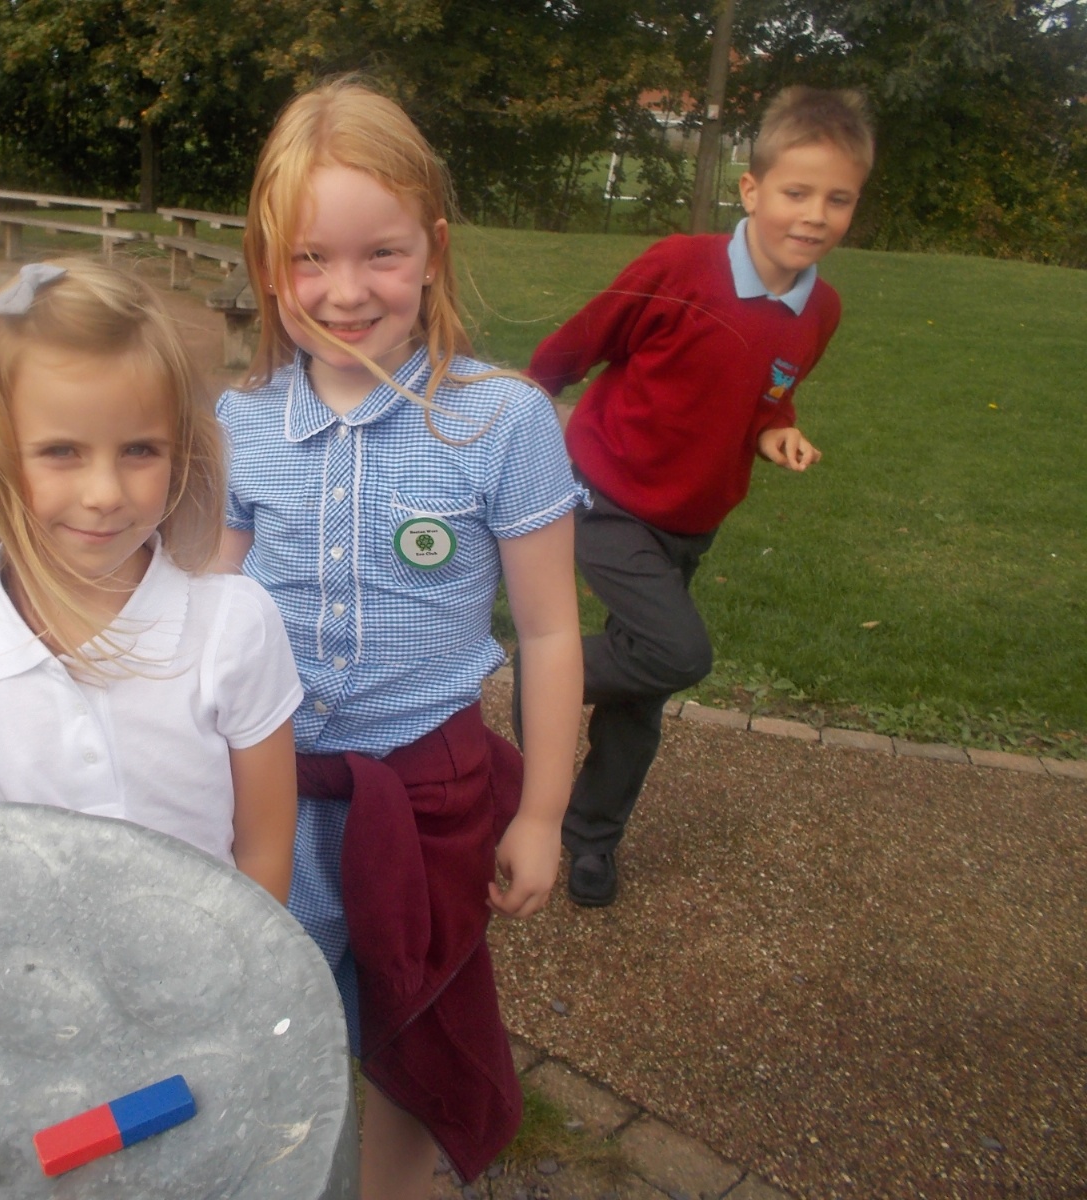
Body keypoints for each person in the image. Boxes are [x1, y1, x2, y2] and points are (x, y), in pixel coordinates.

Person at [218, 79, 587, 1195]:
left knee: (410, 1038)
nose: (345, 292)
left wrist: (541, 813)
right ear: (269, 265)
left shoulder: (501, 419)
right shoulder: (240, 423)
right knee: (262, 1014)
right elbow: (207, 619)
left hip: (426, 795)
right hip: (269, 789)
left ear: (431, 251)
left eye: (380, 254)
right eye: (309, 260)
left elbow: (551, 632)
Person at [521, 86, 874, 907]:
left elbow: (770, 393)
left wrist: (775, 430)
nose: (814, 215)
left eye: (838, 199)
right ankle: (541, 672)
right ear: (751, 189)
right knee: (677, 653)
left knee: (643, 691)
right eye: (796, 192)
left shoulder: (819, 309)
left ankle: (591, 838)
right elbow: (577, 344)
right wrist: (521, 412)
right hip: (605, 490)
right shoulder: (679, 267)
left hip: (692, 519)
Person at [0, 260, 301, 902]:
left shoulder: (236, 626)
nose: (105, 494)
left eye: (139, 449)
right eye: (61, 451)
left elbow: (265, 850)